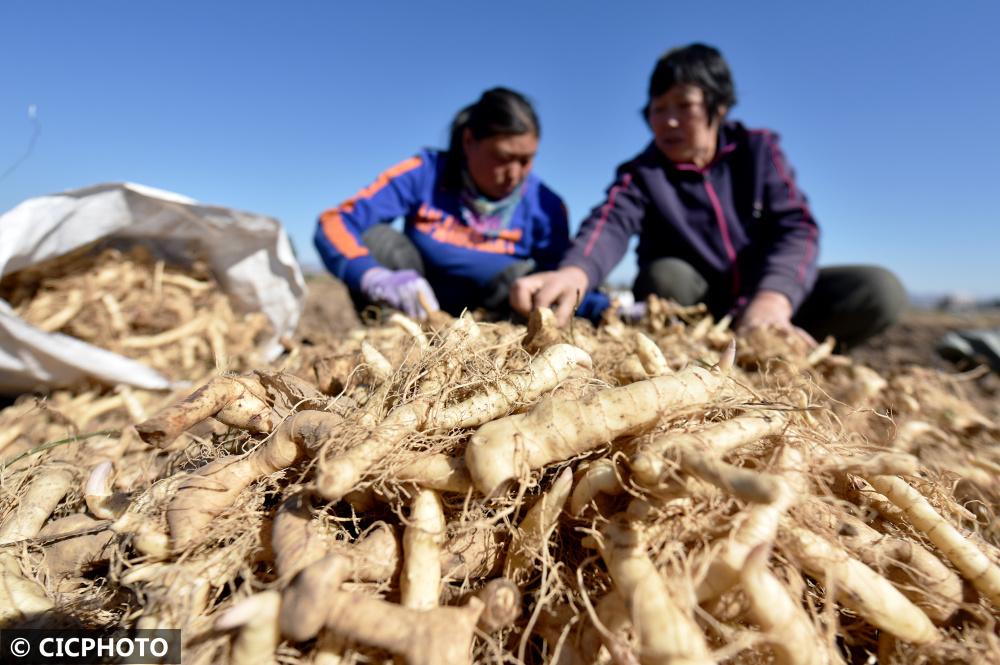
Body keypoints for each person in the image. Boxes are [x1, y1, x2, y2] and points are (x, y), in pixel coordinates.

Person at [510, 44, 906, 348]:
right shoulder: (643, 174)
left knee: (879, 290)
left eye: (685, 106)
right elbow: (609, 222)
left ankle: (788, 351)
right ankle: (701, 358)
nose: (668, 121)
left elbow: (797, 228)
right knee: (665, 275)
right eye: (658, 108)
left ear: (718, 107)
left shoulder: (758, 151)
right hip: (700, 311)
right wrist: (575, 272)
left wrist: (772, 299)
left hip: (766, 301)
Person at [314, 87, 606, 321]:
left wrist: (605, 308)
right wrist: (371, 276)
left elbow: (560, 278)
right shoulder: (425, 172)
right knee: (378, 240)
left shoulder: (547, 206)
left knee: (527, 278)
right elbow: (333, 222)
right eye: (503, 158)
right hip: (415, 312)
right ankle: (390, 337)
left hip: (497, 318)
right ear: (469, 141)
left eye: (526, 160)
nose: (515, 174)